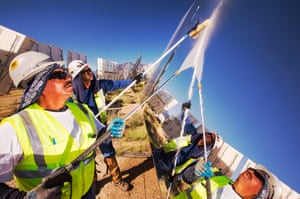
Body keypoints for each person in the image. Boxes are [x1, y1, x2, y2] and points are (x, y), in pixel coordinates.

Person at [0, 51, 125, 199]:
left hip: (88, 193)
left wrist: (108, 131)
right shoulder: (14, 128)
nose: (68, 77)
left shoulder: (82, 110)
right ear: (38, 85)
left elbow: (98, 134)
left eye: (65, 73)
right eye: (59, 75)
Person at [68, 60, 142, 191]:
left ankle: (117, 180)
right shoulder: (71, 94)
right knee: (88, 158)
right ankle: (93, 184)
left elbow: (117, 84)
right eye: (85, 71)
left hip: (101, 127)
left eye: (89, 69)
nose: (89, 72)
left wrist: (133, 81)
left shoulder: (99, 85)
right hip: (84, 131)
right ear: (78, 76)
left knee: (109, 152)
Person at [153, 102, 219, 179]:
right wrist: (184, 110)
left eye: (211, 137)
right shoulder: (194, 135)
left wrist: (176, 176)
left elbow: (188, 169)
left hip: (166, 166)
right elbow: (186, 122)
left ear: (210, 145)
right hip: (163, 152)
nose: (208, 135)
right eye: (210, 134)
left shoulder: (199, 157)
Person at [174, 160, 282, 199]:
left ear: (261, 196)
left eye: (258, 176)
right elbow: (187, 178)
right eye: (251, 169)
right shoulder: (217, 176)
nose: (251, 172)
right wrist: (194, 171)